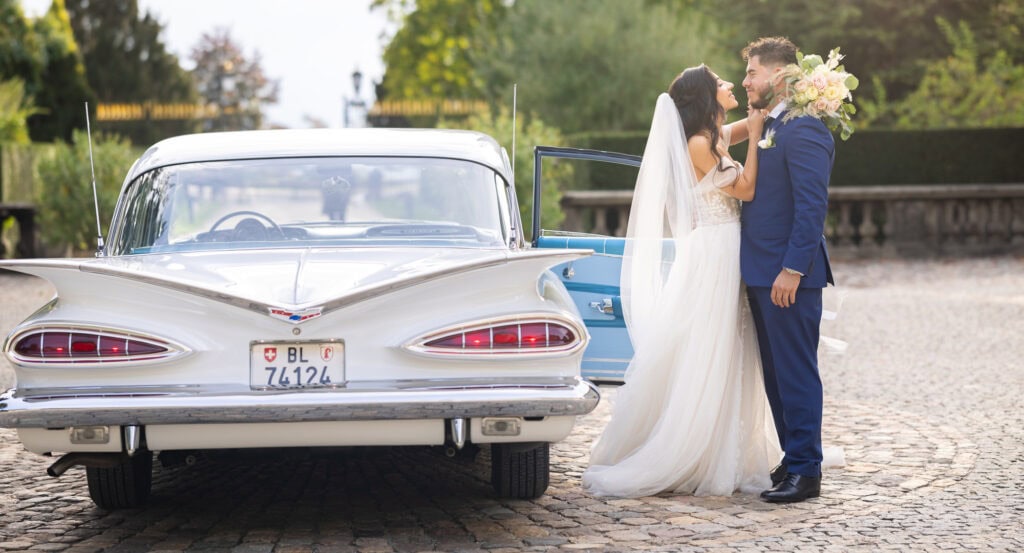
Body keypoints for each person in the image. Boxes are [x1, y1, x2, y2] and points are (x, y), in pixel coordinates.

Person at [582, 65, 781, 498]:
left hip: (727, 245)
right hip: (716, 251)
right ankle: (694, 449)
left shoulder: (715, 135)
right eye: (722, 84)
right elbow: (745, 189)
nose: (731, 86)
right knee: (711, 345)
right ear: (706, 97)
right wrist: (759, 136)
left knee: (729, 344)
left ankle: (726, 445)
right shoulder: (699, 144)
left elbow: (756, 123)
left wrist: (776, 105)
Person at [740, 36, 835, 503]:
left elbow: (812, 206)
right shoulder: (772, 124)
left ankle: (807, 470)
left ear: (777, 76)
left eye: (752, 73)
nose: (745, 82)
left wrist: (794, 268)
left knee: (795, 372)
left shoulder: (805, 128)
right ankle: (793, 457)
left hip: (787, 276)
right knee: (776, 375)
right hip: (761, 272)